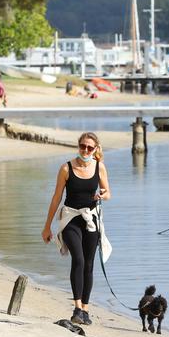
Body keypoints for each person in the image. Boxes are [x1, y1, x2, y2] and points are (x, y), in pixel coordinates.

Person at [42, 132, 111, 326]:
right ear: (78, 146)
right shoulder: (66, 168)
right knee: (78, 260)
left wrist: (102, 195)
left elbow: (108, 193)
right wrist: (47, 226)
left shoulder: (100, 167)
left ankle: (86, 310)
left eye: (90, 148)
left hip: (90, 220)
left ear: (96, 149)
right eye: (82, 146)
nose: (86, 150)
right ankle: (77, 307)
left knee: (89, 264)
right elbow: (56, 198)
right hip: (70, 218)